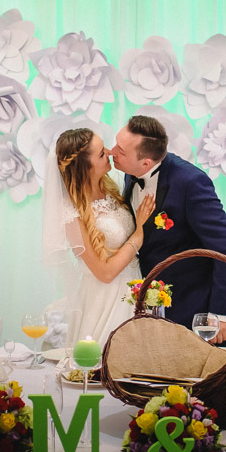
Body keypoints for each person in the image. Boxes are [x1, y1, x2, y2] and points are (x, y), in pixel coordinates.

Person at [111, 116, 226, 343]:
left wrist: (221, 314)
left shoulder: (190, 182)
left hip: (196, 309)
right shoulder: (131, 173)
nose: (111, 152)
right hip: (154, 308)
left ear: (146, 163)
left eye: (120, 151)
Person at [43, 128, 155, 345]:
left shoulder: (111, 189)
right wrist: (139, 234)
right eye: (102, 153)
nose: (110, 152)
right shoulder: (71, 213)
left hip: (133, 289)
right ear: (86, 167)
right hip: (104, 299)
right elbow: (104, 273)